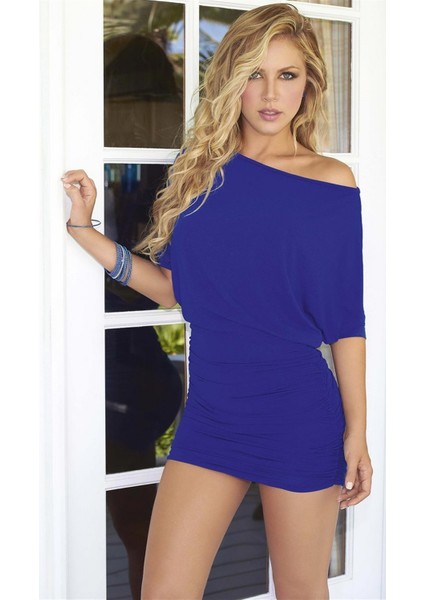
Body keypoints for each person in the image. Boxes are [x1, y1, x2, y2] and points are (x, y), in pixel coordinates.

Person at [62, 3, 373, 598]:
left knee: (301, 590)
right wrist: (85, 231)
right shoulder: (200, 174)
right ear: (231, 79)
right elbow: (174, 289)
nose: (270, 93)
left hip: (297, 414)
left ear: (308, 83)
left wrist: (356, 431)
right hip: (212, 415)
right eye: (254, 74)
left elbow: (344, 320)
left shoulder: (330, 181)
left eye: (287, 74)